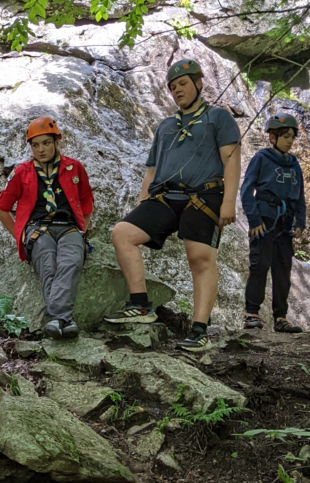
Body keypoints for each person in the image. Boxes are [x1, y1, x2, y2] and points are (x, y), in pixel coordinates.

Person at [104, 59, 242, 353]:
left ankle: (199, 330)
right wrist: (144, 203)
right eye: (172, 87)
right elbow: (152, 170)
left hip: (204, 196)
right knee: (122, 233)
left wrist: (229, 201)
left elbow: (231, 159)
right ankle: (140, 305)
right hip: (165, 197)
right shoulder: (166, 126)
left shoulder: (219, 118)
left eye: (182, 84)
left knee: (200, 258)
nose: (177, 90)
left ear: (198, 83)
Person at [0, 117, 94, 338]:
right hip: (38, 228)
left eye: (46, 143)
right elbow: (2, 208)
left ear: (57, 142)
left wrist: (82, 231)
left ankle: (57, 319)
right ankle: (64, 320)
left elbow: (87, 202)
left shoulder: (74, 167)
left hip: (68, 227)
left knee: (71, 262)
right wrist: (19, 236)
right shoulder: (22, 172)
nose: (41, 149)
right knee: (47, 265)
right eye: (35, 145)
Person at [240, 113, 307, 333]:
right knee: (259, 266)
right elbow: (247, 190)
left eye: (291, 137)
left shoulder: (294, 163)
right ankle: (251, 314)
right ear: (272, 137)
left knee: (283, 270)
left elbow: (300, 196)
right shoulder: (261, 158)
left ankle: (281, 317)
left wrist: (300, 221)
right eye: (285, 136)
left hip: (286, 224)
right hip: (265, 219)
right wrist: (254, 219)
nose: (289, 140)